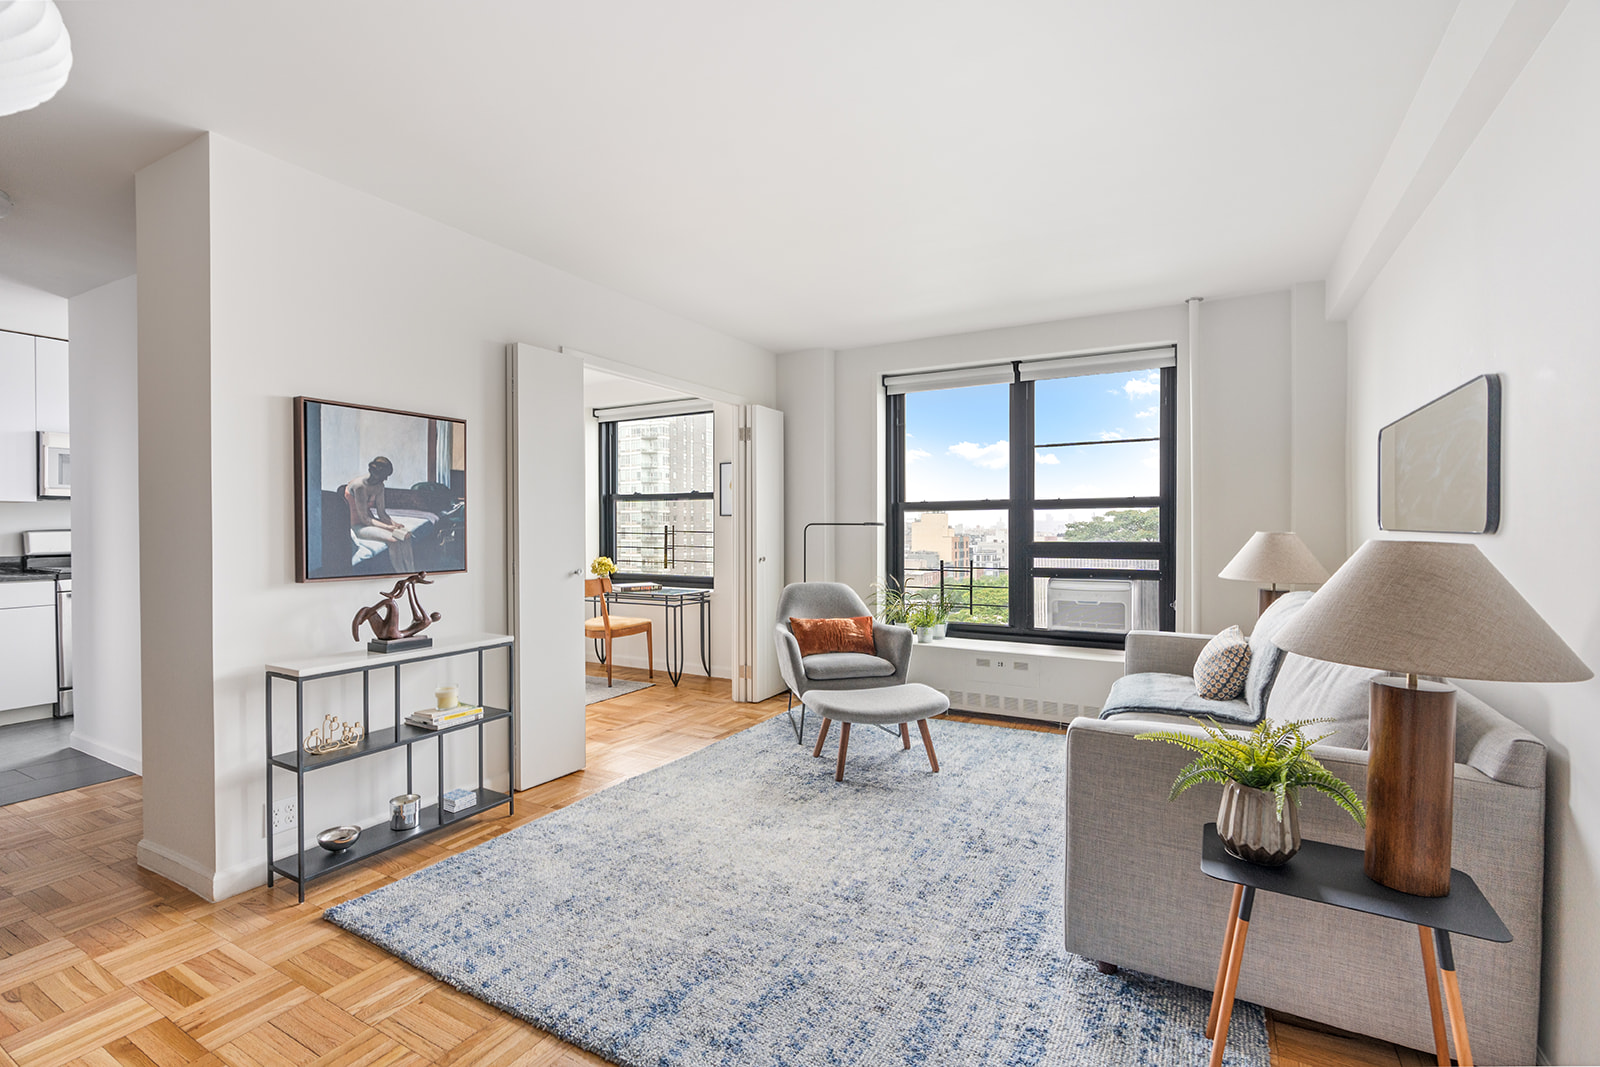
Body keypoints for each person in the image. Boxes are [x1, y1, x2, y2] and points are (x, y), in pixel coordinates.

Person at [345, 456, 416, 571]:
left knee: (406, 536)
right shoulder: (360, 486)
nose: (386, 479)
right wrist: (388, 527)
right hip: (357, 526)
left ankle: (411, 571)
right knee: (394, 541)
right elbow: (364, 519)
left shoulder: (379, 486)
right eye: (384, 476)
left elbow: (382, 513)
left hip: (369, 522)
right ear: (375, 473)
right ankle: (400, 573)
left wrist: (394, 524)